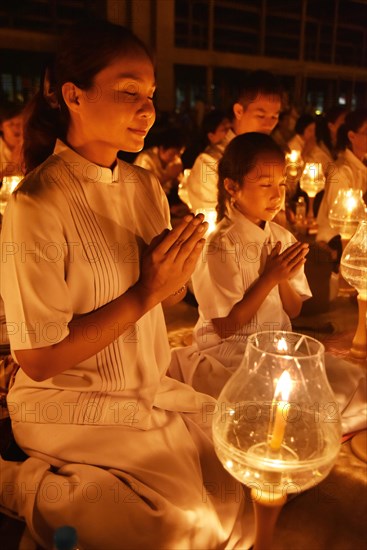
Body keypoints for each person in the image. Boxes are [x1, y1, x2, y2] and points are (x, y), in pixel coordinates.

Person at [0, 20, 254, 550]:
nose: (148, 109)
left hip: (145, 386)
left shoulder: (143, 185)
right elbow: (38, 359)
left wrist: (176, 277)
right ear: (73, 94)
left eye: (152, 96)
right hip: (66, 404)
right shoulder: (36, 203)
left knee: (242, 469)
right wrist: (144, 292)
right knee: (174, 528)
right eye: (128, 92)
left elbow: (166, 299)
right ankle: (18, 484)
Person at [170, 133, 311, 398]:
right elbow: (225, 327)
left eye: (281, 184)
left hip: (275, 348)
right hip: (229, 354)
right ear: (233, 188)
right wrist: (269, 278)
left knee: (327, 383)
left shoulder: (282, 238)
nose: (277, 196)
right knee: (257, 397)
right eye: (265, 185)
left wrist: (281, 278)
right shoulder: (219, 245)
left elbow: (293, 310)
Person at [185, 70, 282, 212]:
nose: (268, 124)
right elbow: (208, 221)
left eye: (274, 117)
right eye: (261, 116)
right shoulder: (210, 162)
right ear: (238, 111)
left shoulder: (270, 155)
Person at [316, 109, 367, 266]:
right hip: (337, 238)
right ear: (352, 136)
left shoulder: (362, 164)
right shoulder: (342, 171)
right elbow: (340, 217)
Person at [0, 101, 24, 181]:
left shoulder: (32, 145)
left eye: (20, 123)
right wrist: (13, 166)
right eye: (11, 124)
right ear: (1, 127)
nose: (17, 128)